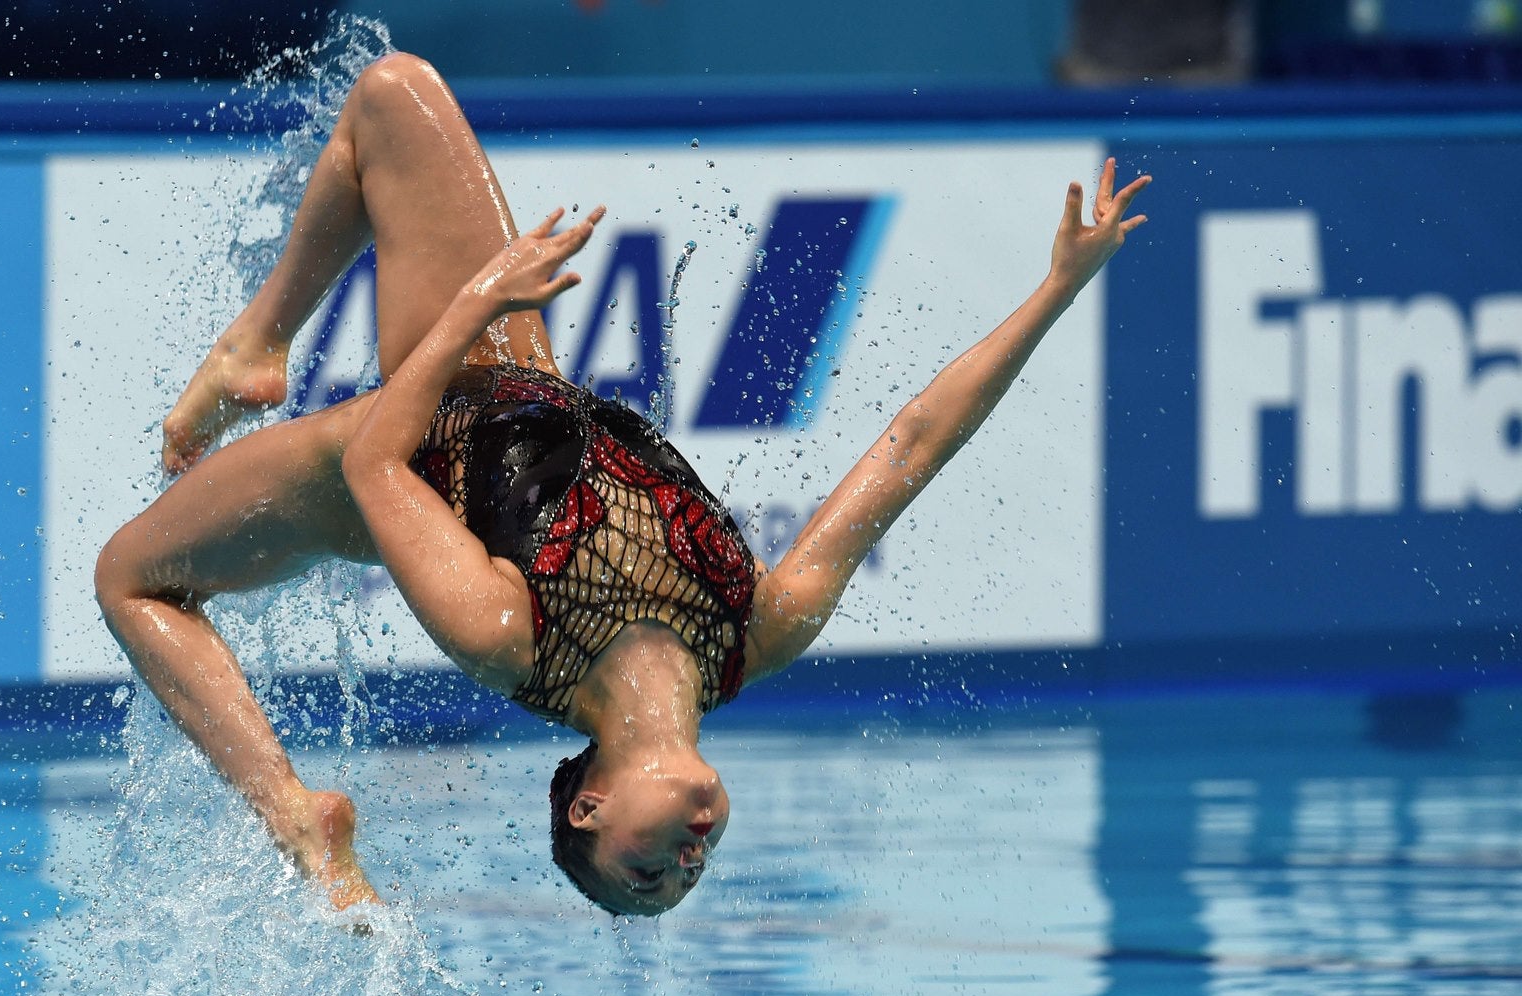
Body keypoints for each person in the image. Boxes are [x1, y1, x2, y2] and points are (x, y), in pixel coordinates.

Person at [93, 52, 1149, 916]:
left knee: (130, 580)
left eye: (646, 871)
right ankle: (254, 347)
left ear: (589, 807)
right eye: (688, 878)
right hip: (512, 378)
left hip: (374, 453)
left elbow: (376, 459)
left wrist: (473, 305)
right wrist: (1055, 291)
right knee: (391, 93)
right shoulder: (757, 629)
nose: (685, 861)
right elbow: (912, 447)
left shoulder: (508, 638)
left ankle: (289, 812)